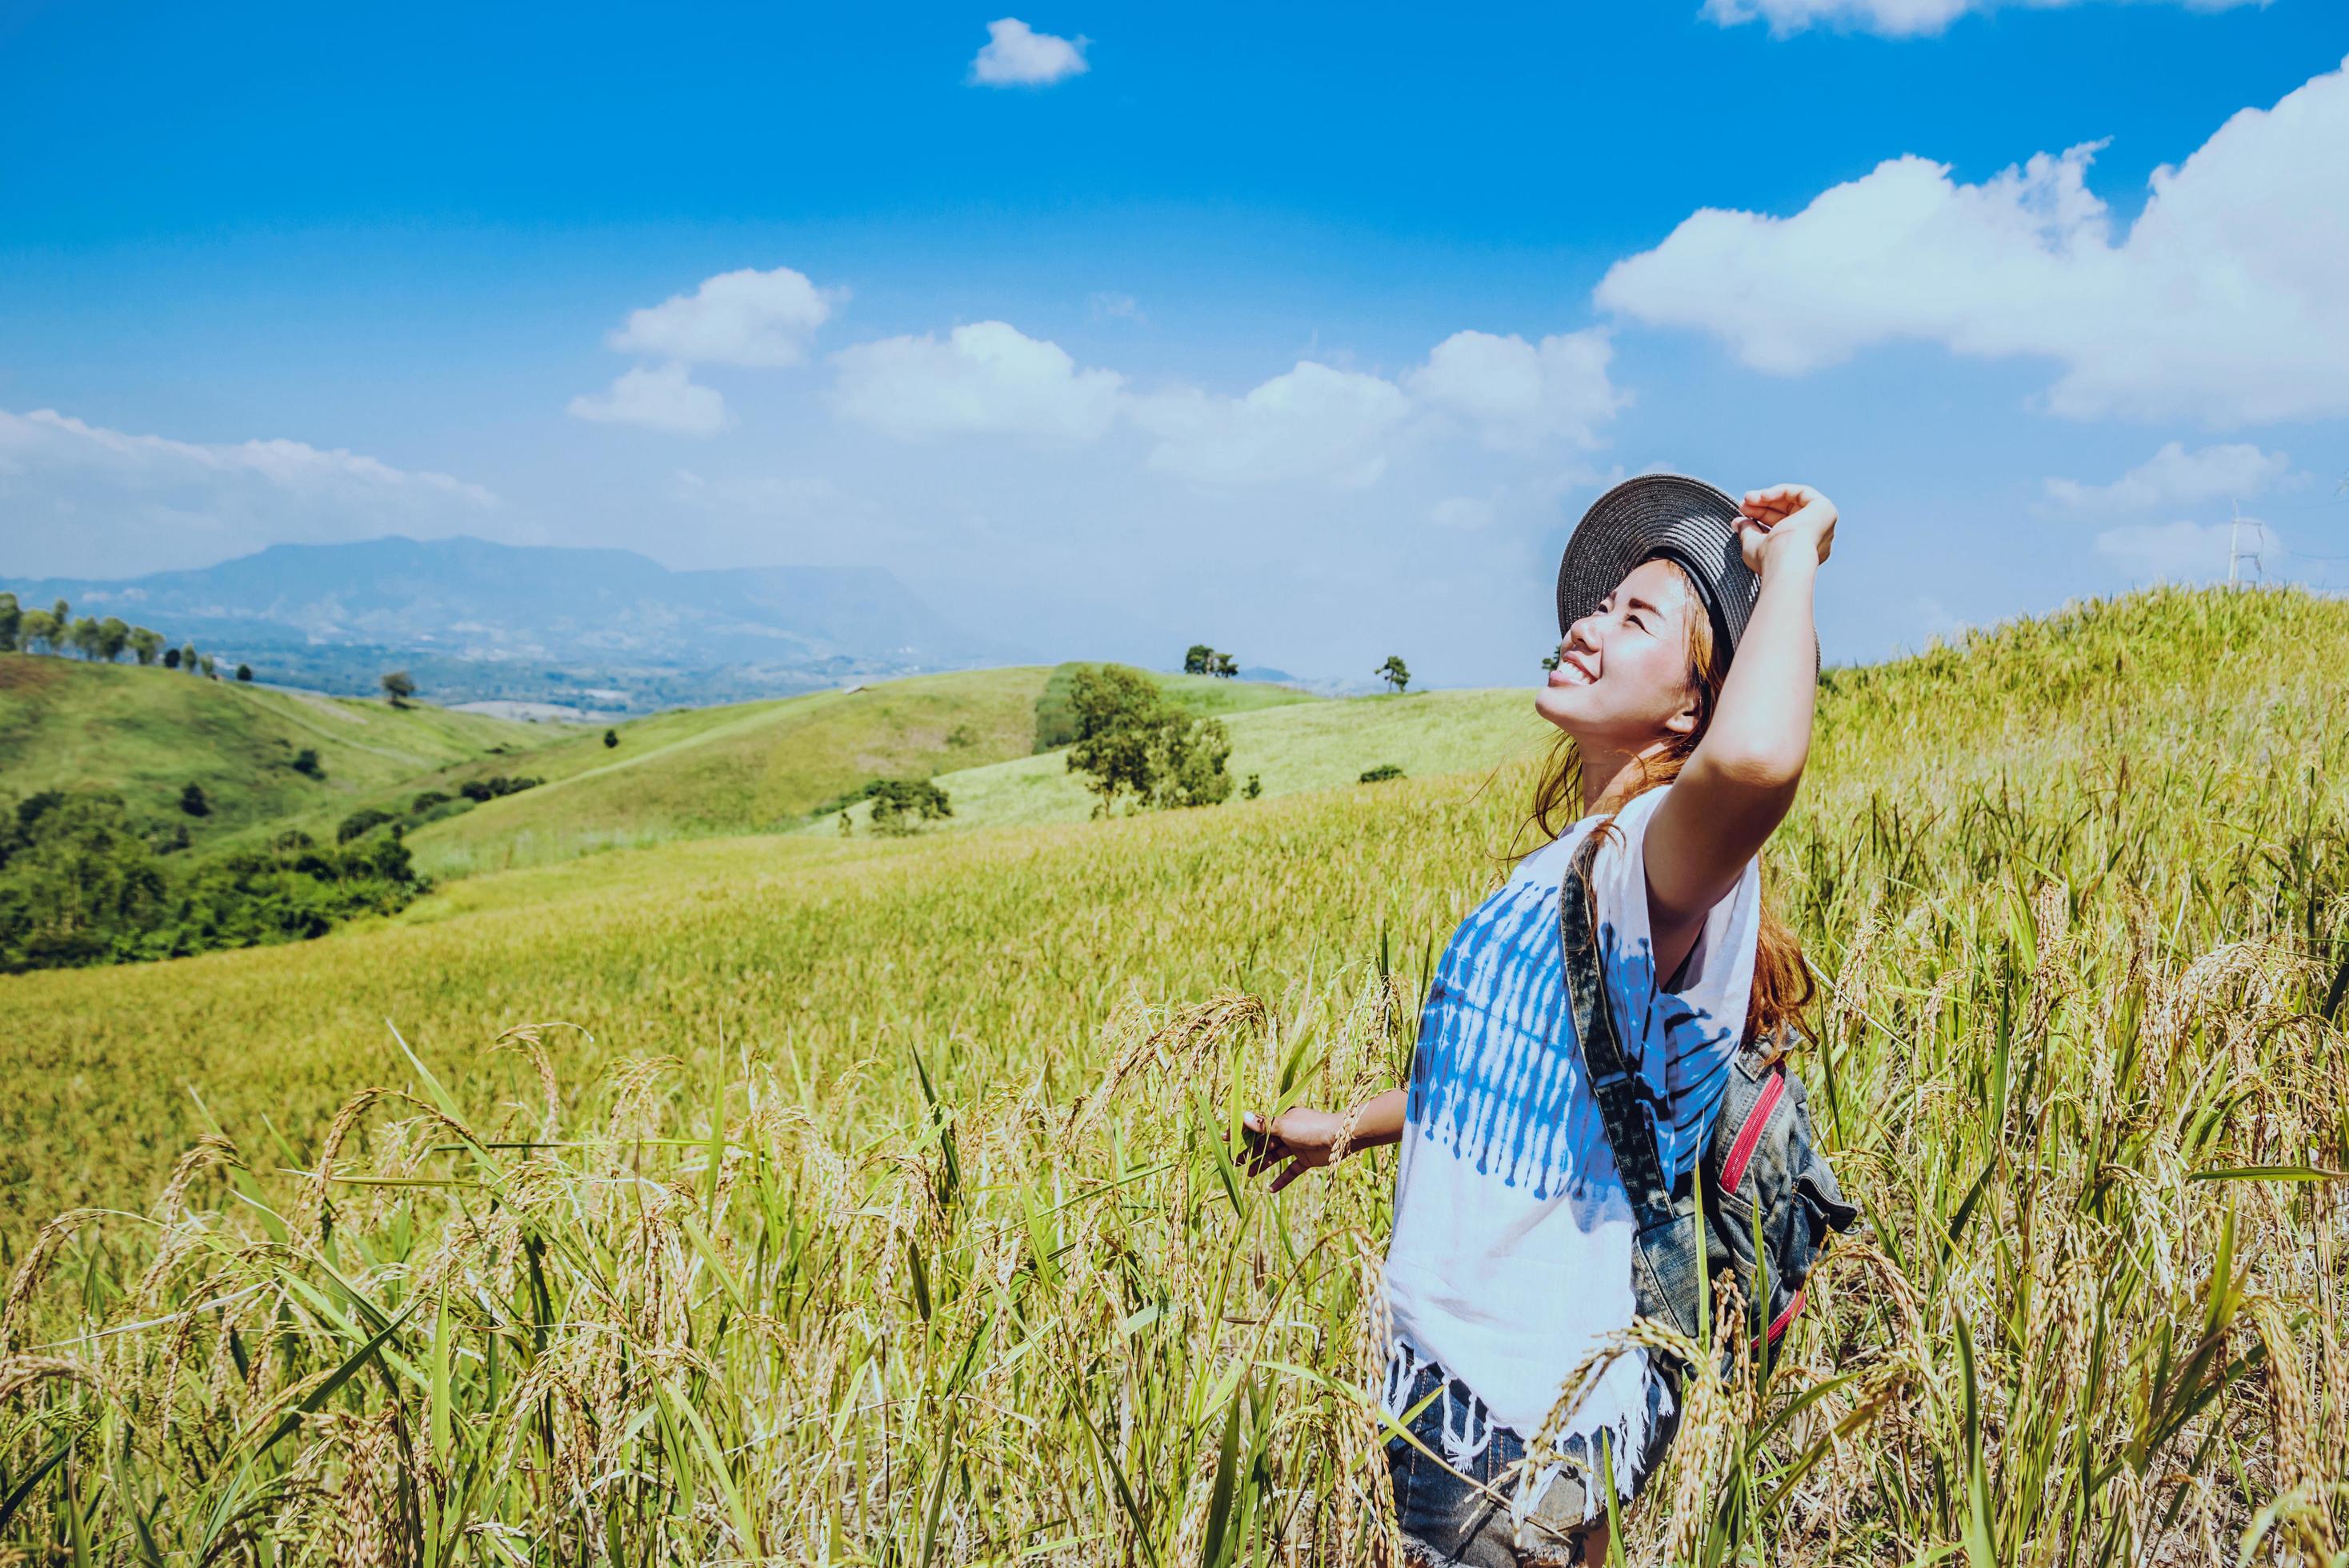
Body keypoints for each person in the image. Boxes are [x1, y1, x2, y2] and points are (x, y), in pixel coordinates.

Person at [1243, 476, 1838, 1566]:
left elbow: (1758, 764)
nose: (1586, 623)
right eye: (1598, 606)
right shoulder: (1584, 862)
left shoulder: (1662, 848)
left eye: (1635, 616)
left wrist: (1792, 560)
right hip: (1468, 1380)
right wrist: (1349, 1127)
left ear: (1689, 708)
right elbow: (1517, 1074)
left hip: (1512, 1409)